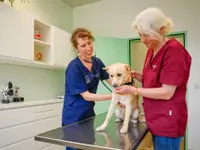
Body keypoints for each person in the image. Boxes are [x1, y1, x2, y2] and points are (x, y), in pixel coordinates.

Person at [115, 7, 192, 150]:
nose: (143, 40)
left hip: (168, 121)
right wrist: (139, 75)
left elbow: (167, 92)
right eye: (140, 35)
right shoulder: (151, 50)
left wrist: (134, 90)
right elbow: (156, 79)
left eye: (147, 35)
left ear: (161, 30)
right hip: (155, 119)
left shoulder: (174, 51)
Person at [62, 28, 112, 150]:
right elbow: (87, 96)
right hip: (73, 118)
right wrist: (114, 97)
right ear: (76, 48)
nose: (88, 47)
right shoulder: (74, 67)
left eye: (89, 43)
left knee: (89, 146)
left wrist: (123, 88)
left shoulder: (97, 62)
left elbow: (112, 81)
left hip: (89, 114)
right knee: (76, 147)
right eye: (83, 45)